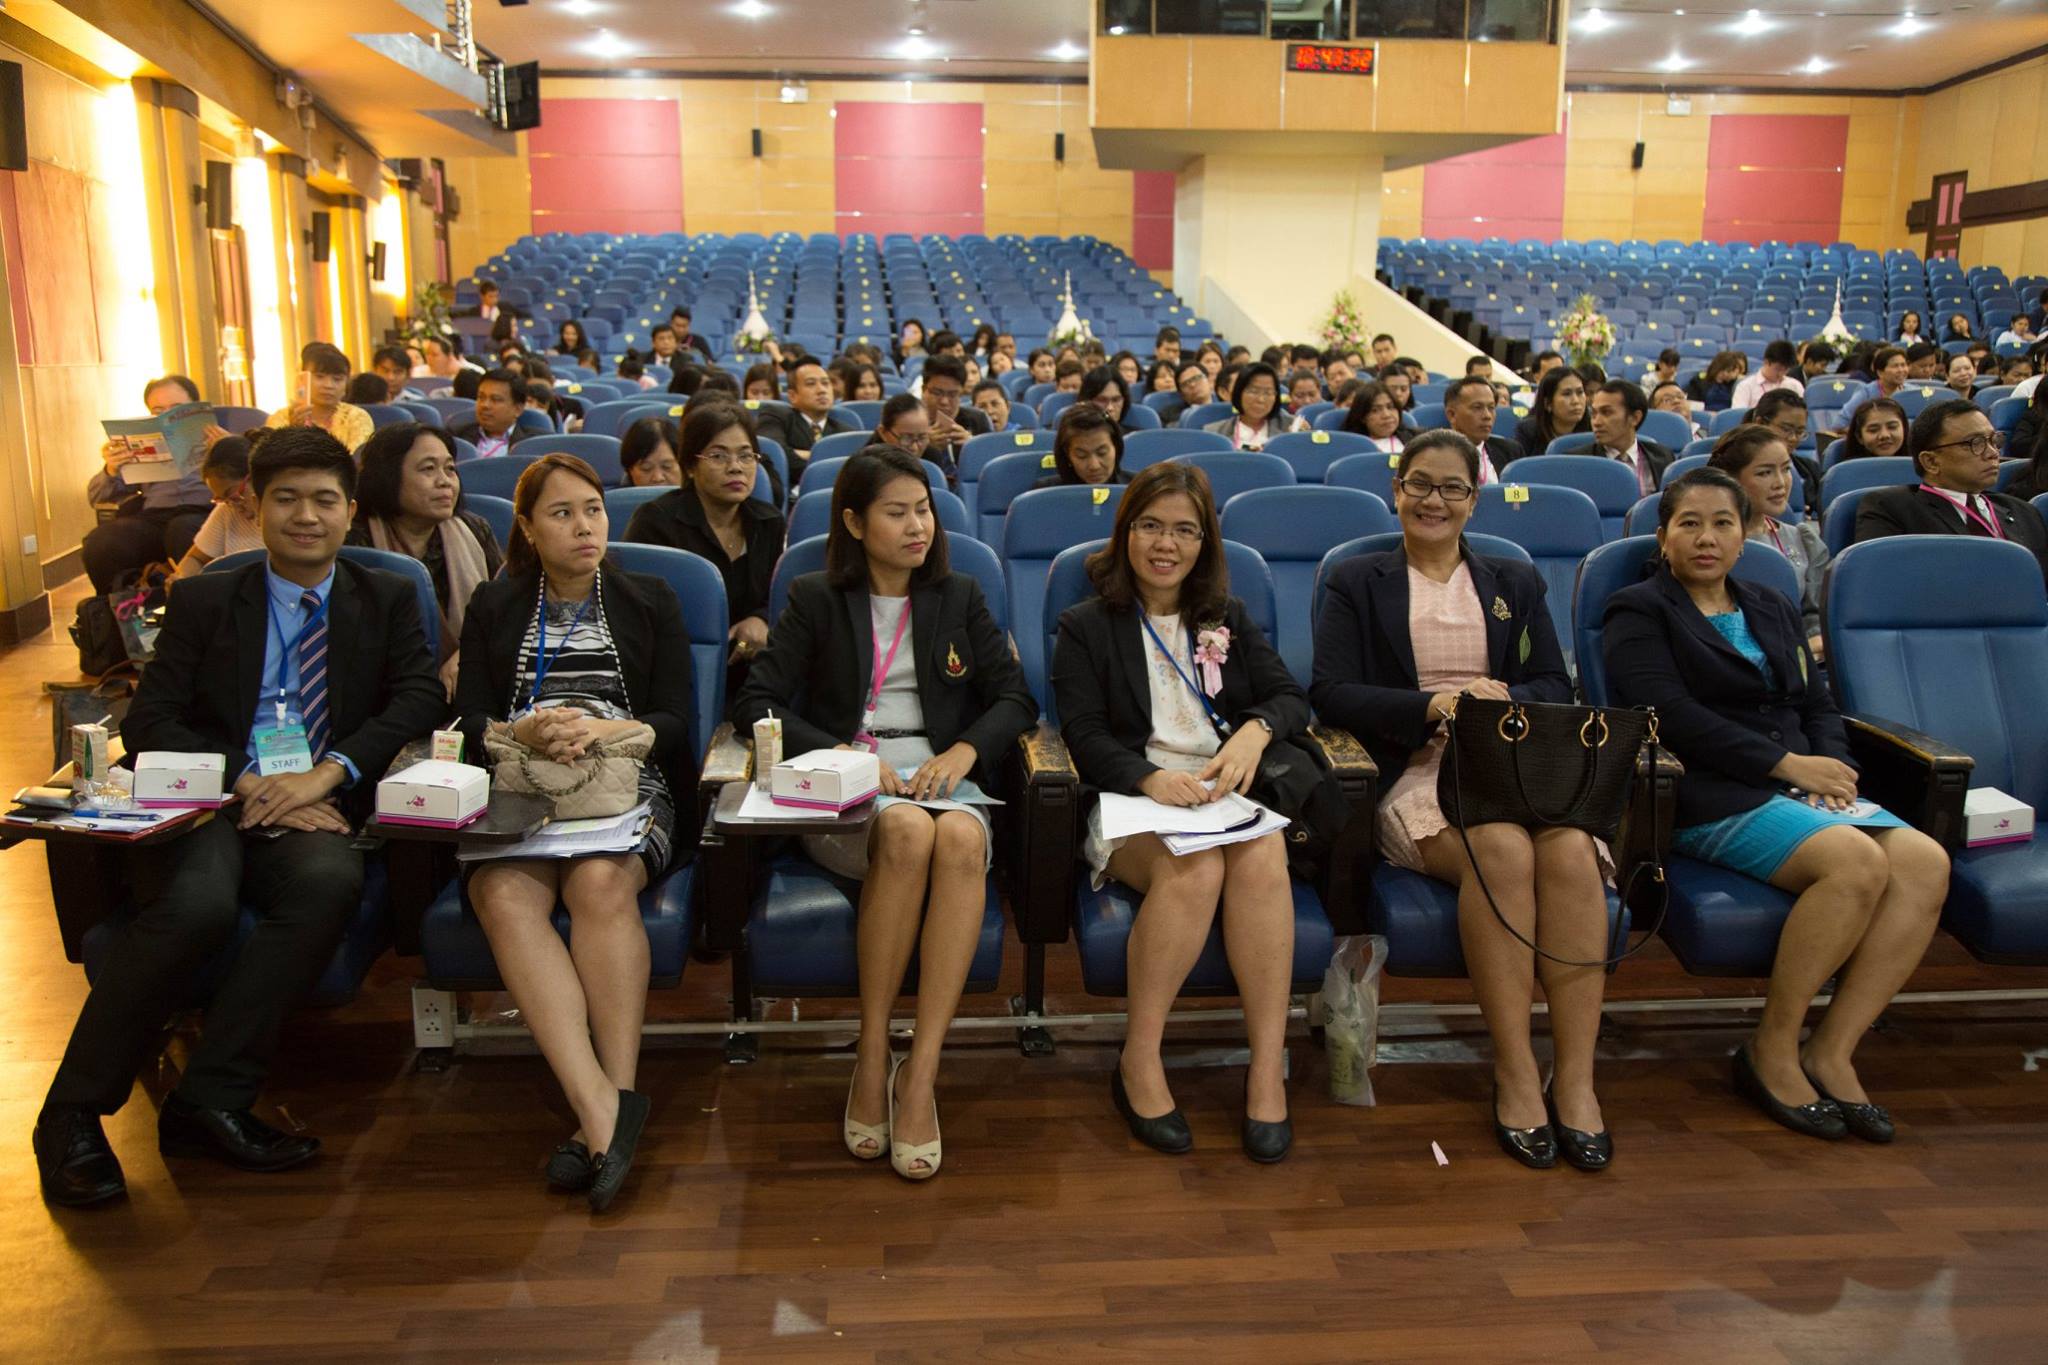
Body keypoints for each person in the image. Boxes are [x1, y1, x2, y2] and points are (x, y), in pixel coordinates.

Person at [33, 428, 443, 1209]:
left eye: (324, 499)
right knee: (197, 904)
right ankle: (70, 1114)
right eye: (287, 498)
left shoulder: (385, 595)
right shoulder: (206, 598)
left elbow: (419, 696)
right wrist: (248, 779)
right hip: (212, 800)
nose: (306, 516)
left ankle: (209, 1097)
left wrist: (327, 772)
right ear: (254, 505)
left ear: (350, 510)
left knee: (328, 882)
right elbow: (151, 720)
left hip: (315, 802)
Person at [1605, 467, 1950, 1144]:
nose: (1707, 538)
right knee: (1855, 862)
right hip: (1708, 792)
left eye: (1723, 523)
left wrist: (1837, 770)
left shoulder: (1770, 601)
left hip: (1800, 783)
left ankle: (1833, 1049)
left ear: (1747, 535)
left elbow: (1817, 702)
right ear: (1663, 536)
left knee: (1925, 862)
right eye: (1689, 523)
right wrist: (1786, 765)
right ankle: (1773, 1046)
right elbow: (1667, 714)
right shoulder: (1638, 609)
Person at [1311, 430, 1611, 1169]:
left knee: (1572, 852)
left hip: (1513, 763)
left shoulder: (1514, 578)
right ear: (1397, 490)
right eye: (1419, 483)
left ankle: (1576, 1078)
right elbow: (1332, 691)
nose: (1433, 500)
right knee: (1501, 848)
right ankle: (1516, 1072)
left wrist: (1497, 697)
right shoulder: (1356, 578)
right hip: (1416, 767)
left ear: (1474, 500)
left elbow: (1555, 683)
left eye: (1451, 488)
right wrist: (1432, 706)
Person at [735, 446, 1035, 1180]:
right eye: (896, 513)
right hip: (849, 786)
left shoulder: (959, 595)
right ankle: (872, 1053)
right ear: (854, 522)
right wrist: (845, 752)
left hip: (940, 777)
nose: (917, 527)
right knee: (904, 828)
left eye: (924, 510)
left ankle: (921, 1071)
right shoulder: (814, 596)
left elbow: (1014, 698)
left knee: (958, 838)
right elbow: (755, 702)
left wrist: (964, 751)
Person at [454, 454, 696, 1211]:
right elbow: (469, 717)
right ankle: (603, 1111)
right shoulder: (496, 605)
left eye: (593, 509)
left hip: (625, 778)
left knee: (598, 884)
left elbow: (675, 720)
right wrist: (525, 729)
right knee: (502, 894)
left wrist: (601, 732)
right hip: (523, 782)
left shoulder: (649, 597)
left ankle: (607, 1106)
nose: (585, 525)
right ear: (527, 527)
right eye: (562, 513)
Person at [1050, 462, 1302, 1163]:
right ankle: (1140, 1058)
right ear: (1126, 532)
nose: (1167, 543)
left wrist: (1255, 731)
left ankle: (1265, 1066)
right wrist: (1148, 777)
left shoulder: (1225, 618)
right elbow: (1083, 733)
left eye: (1185, 530)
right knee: (1194, 872)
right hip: (1133, 798)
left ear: (1204, 541)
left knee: (1263, 855)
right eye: (1151, 526)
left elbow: (1289, 697)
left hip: (1219, 798)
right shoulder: (1086, 624)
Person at [624, 401, 784, 696]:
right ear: (690, 466)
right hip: (671, 673)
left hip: (752, 671)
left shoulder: (769, 522)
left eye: (746, 455)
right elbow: (634, 612)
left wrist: (760, 619)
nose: (735, 467)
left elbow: (774, 596)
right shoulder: (655, 522)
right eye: (718, 456)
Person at [346, 422, 503, 696]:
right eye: (428, 469)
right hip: (381, 686)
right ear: (388, 476)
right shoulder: (355, 539)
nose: (445, 481)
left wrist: (468, 653)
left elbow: (506, 612)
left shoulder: (474, 529)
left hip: (468, 681)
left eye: (450, 469)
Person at [1855, 398, 2048, 585]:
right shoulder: (1890, 509)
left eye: (1993, 440)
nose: (1992, 453)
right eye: (1975, 443)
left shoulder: (2024, 512)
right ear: (1931, 461)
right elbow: (1882, 587)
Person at [82, 375, 222, 593]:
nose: (166, 416)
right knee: (102, 540)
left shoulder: (221, 438)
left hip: (204, 512)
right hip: (155, 517)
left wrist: (227, 449)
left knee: (182, 529)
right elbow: (97, 498)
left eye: (176, 409)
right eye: (158, 411)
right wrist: (111, 470)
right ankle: (120, 609)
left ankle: (194, 605)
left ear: (195, 408)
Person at [1709, 425, 1830, 660]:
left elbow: (1814, 618)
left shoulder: (1803, 539)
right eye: (1765, 473)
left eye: (1785, 469)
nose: (1780, 483)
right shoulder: (1707, 544)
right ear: (1730, 479)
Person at [754, 358, 859, 482]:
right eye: (811, 384)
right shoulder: (775, 416)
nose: (822, 390)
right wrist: (827, 460)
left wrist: (800, 453)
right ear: (793, 396)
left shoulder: (846, 432)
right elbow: (775, 454)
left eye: (826, 383)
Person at [173, 434, 263, 579]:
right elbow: (196, 558)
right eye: (222, 499)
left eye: (234, 496)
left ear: (255, 477)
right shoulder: (226, 511)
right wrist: (182, 578)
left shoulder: (288, 515)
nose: (233, 506)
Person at [267, 343, 374, 454]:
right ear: (303, 379)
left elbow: (355, 460)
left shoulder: (357, 417)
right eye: (319, 377)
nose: (328, 385)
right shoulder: (281, 418)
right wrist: (294, 433)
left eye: (337, 379)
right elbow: (272, 459)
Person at [1586, 379, 1676, 494]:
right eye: (1593, 413)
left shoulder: (1663, 457)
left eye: (1607, 412)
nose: (1596, 422)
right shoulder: (1578, 462)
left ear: (1635, 418)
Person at [1035, 404, 1132, 490]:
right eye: (1082, 456)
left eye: (1102, 453)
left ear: (1116, 447)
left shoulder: (1134, 488)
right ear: (1067, 455)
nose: (1094, 466)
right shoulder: (1045, 493)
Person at [1203, 362, 1298, 449]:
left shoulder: (1291, 428)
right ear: (1239, 393)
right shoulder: (1213, 433)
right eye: (1253, 391)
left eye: (1268, 393)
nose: (1261, 399)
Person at [1442, 375, 1515, 483]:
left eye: (1491, 408)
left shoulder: (1509, 451)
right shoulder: (1434, 455)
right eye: (1477, 407)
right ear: (1452, 415)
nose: (1487, 416)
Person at [449, 369, 533, 459]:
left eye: (495, 399)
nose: (485, 405)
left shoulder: (533, 443)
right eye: (481, 397)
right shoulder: (456, 437)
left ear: (518, 409)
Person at [1513, 364, 1592, 458]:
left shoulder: (1594, 429)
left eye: (1580, 392)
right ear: (1548, 403)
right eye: (1567, 394)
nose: (1576, 401)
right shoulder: (1528, 432)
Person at [1340, 379, 1415, 454]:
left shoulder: (1414, 438)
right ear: (1362, 417)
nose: (1386, 415)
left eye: (1390, 407)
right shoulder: (1351, 448)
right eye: (1375, 410)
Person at [1841, 346, 1911, 422]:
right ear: (1880, 372)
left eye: (1903, 365)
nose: (1901, 370)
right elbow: (1840, 423)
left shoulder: (1912, 391)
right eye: (1895, 366)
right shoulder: (1866, 393)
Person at [1732, 341, 1806, 410]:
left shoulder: (1794, 385)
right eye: (1778, 369)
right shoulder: (1746, 387)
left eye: (1786, 369)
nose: (1781, 374)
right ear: (1766, 362)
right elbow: (1739, 415)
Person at [1837, 396, 1910, 463]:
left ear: (1904, 429)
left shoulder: (1916, 465)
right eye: (1873, 430)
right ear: (1859, 437)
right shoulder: (1847, 470)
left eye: (1892, 427)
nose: (1884, 435)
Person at [619, 415, 684, 488]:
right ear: (630, 471)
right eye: (646, 468)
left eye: (667, 466)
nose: (658, 478)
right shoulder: (616, 495)